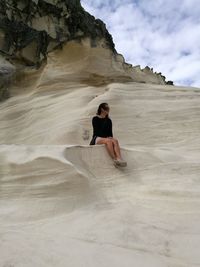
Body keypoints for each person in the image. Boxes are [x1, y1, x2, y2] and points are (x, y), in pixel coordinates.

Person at [89, 103, 127, 167]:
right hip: (97, 138)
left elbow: (110, 133)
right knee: (108, 141)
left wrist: (110, 137)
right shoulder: (95, 119)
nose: (108, 110)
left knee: (115, 140)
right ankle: (114, 159)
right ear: (102, 109)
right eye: (107, 109)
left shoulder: (109, 120)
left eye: (108, 109)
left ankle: (119, 158)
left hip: (105, 138)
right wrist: (107, 138)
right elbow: (97, 131)